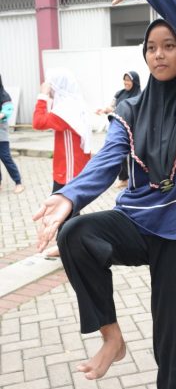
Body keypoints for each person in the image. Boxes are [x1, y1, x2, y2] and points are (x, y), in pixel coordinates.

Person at [33, 0, 176, 389]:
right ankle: (112, 338)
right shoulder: (131, 107)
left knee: (171, 353)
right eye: (151, 48)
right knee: (76, 235)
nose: (159, 55)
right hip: (138, 222)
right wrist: (69, 196)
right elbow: (107, 159)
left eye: (170, 46)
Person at [33, 67, 92, 255]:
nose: (48, 87)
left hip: (69, 169)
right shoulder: (72, 104)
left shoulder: (67, 109)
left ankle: (67, 247)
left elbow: (38, 122)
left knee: (64, 207)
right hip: (71, 166)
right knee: (70, 208)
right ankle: (68, 245)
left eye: (51, 84)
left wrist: (42, 96)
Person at [96, 71, 141, 188]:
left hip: (135, 129)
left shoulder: (140, 95)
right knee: (120, 153)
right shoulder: (119, 94)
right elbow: (112, 106)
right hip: (121, 128)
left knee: (135, 155)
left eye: (129, 80)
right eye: (125, 80)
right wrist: (103, 110)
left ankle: (138, 179)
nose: (126, 82)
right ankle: (124, 179)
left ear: (134, 82)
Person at [0, 75, 24, 194]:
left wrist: (1, 115)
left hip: (1, 134)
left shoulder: (3, 95)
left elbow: (8, 110)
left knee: (6, 158)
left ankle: (18, 182)